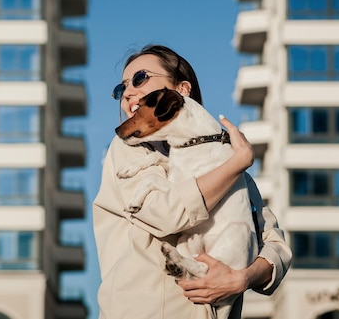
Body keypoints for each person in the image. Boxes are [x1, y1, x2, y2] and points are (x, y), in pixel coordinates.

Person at [93, 45, 292, 319]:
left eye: (140, 78)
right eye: (121, 88)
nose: (127, 92)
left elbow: (275, 245)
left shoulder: (229, 165)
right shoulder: (129, 149)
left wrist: (242, 279)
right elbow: (165, 214)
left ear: (182, 90)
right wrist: (237, 162)